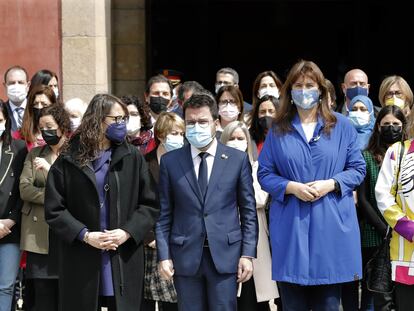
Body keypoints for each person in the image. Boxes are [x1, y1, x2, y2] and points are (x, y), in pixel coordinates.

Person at [258, 60, 366, 310]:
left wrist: (332, 183)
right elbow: (265, 173)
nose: (304, 90)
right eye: (298, 85)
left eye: (309, 85)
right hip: (291, 226)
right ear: (289, 92)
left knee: (329, 303)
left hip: (331, 227)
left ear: (320, 90)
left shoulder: (342, 126)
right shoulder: (278, 129)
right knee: (292, 303)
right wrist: (291, 187)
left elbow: (358, 169)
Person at [44, 94, 159, 311]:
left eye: (123, 119)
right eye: (116, 119)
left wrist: (127, 232)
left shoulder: (132, 156)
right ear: (98, 119)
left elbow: (150, 204)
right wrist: (85, 235)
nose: (121, 124)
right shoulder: (69, 158)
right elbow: (54, 209)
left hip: (122, 253)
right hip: (81, 254)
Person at [156, 93, 258, 311]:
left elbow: (248, 211)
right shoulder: (170, 162)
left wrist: (247, 254)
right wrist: (163, 256)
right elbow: (164, 214)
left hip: (225, 256)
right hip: (185, 257)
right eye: (191, 122)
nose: (196, 127)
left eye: (202, 121)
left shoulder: (237, 160)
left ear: (216, 123)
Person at [220, 121, 279, 311]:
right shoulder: (215, 169)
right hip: (225, 233)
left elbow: (261, 198)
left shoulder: (256, 167)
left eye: (240, 138)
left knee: (254, 293)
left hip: (254, 235)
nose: (236, 142)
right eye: (232, 138)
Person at [19, 105, 71, 311]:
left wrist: (51, 173)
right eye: (42, 128)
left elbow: (75, 191)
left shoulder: (75, 153)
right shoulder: (34, 154)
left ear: (62, 126)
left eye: (50, 126)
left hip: (67, 233)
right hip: (38, 235)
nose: (45, 131)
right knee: (42, 297)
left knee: (66, 296)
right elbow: (25, 189)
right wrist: (54, 197)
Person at [357, 105, 407, 311]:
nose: (391, 128)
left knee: (402, 292)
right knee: (376, 293)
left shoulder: (408, 158)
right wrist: (384, 229)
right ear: (377, 127)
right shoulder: (366, 156)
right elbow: (362, 199)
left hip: (404, 237)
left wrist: (400, 227)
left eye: (396, 124)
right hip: (374, 235)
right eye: (386, 124)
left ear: (403, 127)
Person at [142, 112, 183, 311]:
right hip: (149, 242)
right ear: (160, 135)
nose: (178, 138)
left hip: (178, 239)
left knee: (174, 301)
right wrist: (149, 236)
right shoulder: (143, 163)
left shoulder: (188, 162)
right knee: (148, 298)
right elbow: (135, 202)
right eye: (173, 133)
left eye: (181, 133)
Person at [0, 100, 27, 311]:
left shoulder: (17, 148)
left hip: (9, 227)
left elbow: (22, 189)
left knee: (6, 286)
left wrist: (12, 218)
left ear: (6, 120)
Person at [15, 85, 59, 150]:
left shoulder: (61, 134)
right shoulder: (19, 136)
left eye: (44, 104)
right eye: (35, 104)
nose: (39, 107)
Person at [3, 65, 30, 132]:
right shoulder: (1, 111)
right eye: (12, 83)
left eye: (20, 82)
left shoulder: (36, 109)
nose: (16, 86)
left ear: (28, 86)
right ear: (5, 86)